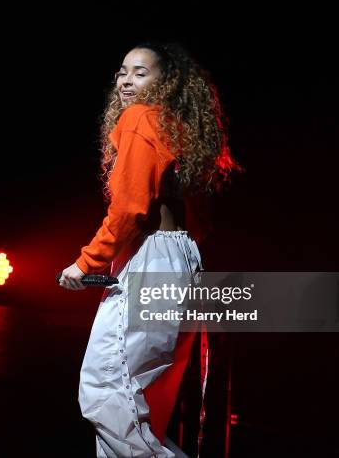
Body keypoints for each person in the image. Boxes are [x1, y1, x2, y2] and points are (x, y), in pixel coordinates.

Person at [59, 41, 241, 458]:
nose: (126, 80)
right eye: (123, 71)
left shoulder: (140, 118)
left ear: (167, 83)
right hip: (183, 261)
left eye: (141, 73)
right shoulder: (180, 128)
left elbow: (129, 209)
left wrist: (86, 263)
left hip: (151, 259)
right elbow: (200, 220)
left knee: (107, 393)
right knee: (137, 409)